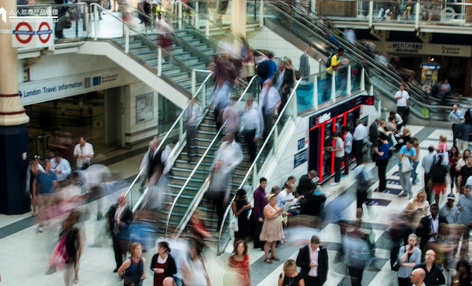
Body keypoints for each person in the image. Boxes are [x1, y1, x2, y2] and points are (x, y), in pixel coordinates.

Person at [208, 132, 243, 229]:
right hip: (214, 191)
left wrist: (231, 166)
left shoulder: (236, 147)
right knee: (212, 207)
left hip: (222, 190)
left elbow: (228, 184)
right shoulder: (214, 171)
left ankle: (220, 226)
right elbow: (211, 180)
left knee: (220, 210)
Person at [107, 194, 133, 273]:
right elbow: (109, 216)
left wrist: (122, 223)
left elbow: (130, 222)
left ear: (125, 200)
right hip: (115, 232)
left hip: (123, 235)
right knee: (116, 250)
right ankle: (118, 265)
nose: (119, 201)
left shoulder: (128, 211)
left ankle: (123, 266)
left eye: (121, 200)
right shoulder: (114, 208)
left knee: (122, 251)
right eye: (119, 199)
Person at [33, 159, 58, 233]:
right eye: (48, 165)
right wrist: (34, 194)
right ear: (44, 165)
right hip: (41, 195)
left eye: (50, 165)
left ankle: (49, 223)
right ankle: (41, 225)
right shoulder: (39, 173)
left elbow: (55, 184)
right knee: (40, 210)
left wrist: (54, 191)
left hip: (50, 195)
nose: (50, 166)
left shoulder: (53, 174)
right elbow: (34, 183)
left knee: (49, 211)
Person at [260, 193, 284, 264]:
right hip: (270, 226)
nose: (275, 201)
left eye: (276, 200)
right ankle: (266, 256)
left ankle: (273, 255)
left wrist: (282, 212)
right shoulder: (267, 207)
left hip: (276, 225)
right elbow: (269, 216)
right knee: (269, 242)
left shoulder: (275, 206)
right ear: (270, 200)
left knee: (274, 241)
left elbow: (279, 212)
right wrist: (277, 211)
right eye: (273, 200)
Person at [61, 211, 82, 286]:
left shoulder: (76, 231)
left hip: (74, 250)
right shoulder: (65, 228)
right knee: (67, 269)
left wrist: (79, 253)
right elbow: (61, 240)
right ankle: (67, 284)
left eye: (74, 219)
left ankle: (76, 275)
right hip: (67, 251)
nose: (72, 221)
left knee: (75, 265)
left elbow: (79, 243)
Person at [241, 97, 262, 163]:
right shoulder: (245, 111)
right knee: (247, 145)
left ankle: (253, 160)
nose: (247, 103)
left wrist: (256, 135)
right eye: (247, 101)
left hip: (252, 131)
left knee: (252, 147)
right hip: (246, 131)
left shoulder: (254, 112)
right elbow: (243, 120)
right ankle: (250, 158)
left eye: (248, 102)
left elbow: (257, 123)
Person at [183, 98, 203, 163]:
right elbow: (183, 117)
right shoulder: (186, 108)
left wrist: (194, 120)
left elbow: (200, 116)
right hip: (188, 126)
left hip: (194, 126)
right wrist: (185, 121)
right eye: (190, 101)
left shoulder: (197, 108)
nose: (191, 102)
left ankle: (195, 152)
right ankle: (189, 156)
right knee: (188, 141)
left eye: (193, 101)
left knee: (193, 140)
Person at [457, 185, 472, 260]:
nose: (465, 192)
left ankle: (463, 254)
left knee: (465, 239)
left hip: (468, 222)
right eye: (464, 191)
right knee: (457, 238)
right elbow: (457, 205)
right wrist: (459, 207)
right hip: (460, 221)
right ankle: (457, 253)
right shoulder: (461, 197)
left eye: (467, 191)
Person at [253, 177, 268, 249]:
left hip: (263, 211)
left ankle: (260, 243)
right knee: (259, 229)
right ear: (260, 183)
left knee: (261, 228)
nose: (264, 184)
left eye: (265, 183)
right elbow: (256, 205)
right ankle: (258, 243)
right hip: (259, 212)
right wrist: (259, 216)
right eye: (263, 183)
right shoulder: (257, 192)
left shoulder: (263, 191)